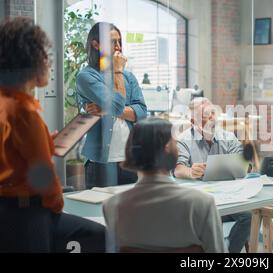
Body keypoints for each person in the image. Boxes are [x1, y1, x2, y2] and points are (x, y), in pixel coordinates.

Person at [0, 17, 105, 253]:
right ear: (31, 61)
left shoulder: (5, 103)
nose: (49, 63)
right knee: (99, 235)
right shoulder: (24, 111)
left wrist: (44, 142)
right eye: (45, 56)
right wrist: (57, 205)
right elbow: (42, 176)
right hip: (26, 216)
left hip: (6, 211)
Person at [103, 118, 225, 253]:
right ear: (167, 147)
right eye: (174, 141)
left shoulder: (112, 206)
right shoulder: (201, 203)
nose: (178, 146)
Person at [173, 97, 252, 253]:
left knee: (247, 216)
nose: (211, 117)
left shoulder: (228, 137)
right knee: (206, 221)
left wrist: (245, 167)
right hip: (200, 198)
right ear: (193, 120)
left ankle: (228, 251)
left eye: (212, 113)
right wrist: (190, 171)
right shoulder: (183, 140)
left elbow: (245, 164)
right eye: (204, 114)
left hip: (228, 195)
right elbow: (178, 169)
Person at [76, 22, 147, 189]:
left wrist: (106, 108)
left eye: (120, 41)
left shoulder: (129, 77)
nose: (118, 46)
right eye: (113, 42)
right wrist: (117, 72)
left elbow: (142, 112)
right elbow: (116, 107)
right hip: (100, 162)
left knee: (131, 212)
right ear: (96, 44)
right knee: (99, 213)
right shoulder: (86, 76)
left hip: (130, 160)